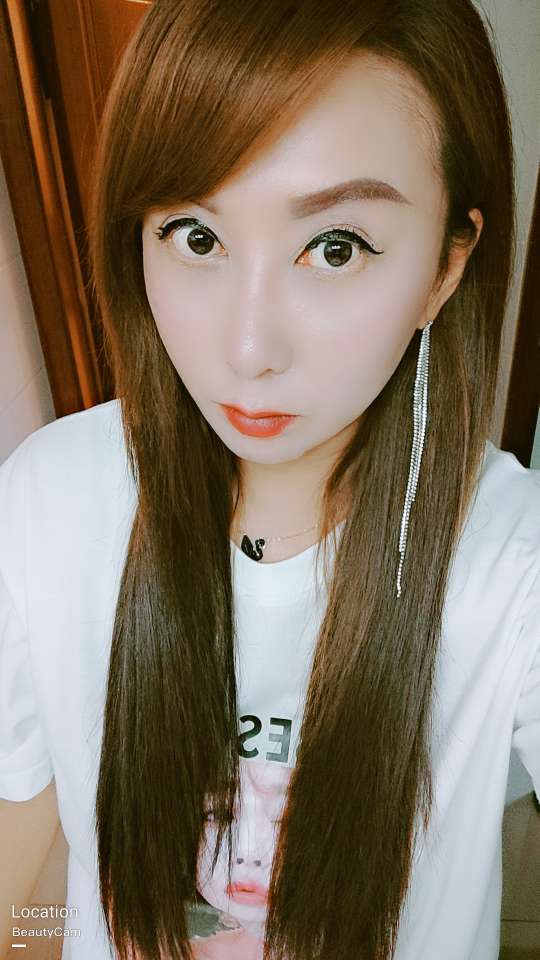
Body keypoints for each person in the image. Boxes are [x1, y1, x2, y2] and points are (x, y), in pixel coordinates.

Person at [0, 1, 539, 958]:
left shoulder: (512, 561)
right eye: (196, 236)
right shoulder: (48, 499)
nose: (248, 350)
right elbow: (20, 842)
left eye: (336, 247)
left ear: (446, 268)